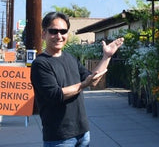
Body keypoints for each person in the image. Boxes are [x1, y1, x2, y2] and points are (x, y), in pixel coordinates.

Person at [30, 11, 124, 147]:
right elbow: (55, 95)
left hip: (82, 133)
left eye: (63, 31)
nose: (59, 36)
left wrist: (106, 57)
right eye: (53, 31)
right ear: (43, 34)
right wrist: (83, 84)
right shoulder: (40, 64)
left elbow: (93, 80)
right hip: (59, 137)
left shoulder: (70, 58)